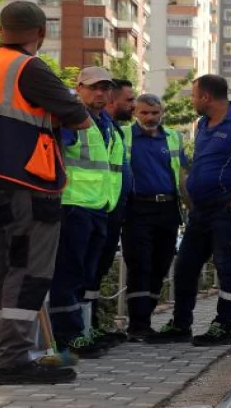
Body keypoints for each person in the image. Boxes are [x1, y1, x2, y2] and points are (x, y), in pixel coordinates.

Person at [0, 1, 91, 384]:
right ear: (41, 33)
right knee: (29, 270)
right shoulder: (28, 68)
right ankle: (13, 359)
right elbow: (80, 118)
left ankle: (1, 354)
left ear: (1, 29)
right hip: (26, 185)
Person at [146, 75, 231, 346]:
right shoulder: (203, 125)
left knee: (227, 267)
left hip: (228, 207)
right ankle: (181, 324)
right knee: (185, 266)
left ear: (206, 97)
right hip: (201, 211)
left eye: (194, 95)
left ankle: (223, 326)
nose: (192, 101)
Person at [49, 67, 124, 358]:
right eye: (94, 88)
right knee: (68, 273)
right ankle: (67, 336)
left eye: (105, 89)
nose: (100, 93)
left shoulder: (106, 124)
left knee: (86, 274)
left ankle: (82, 331)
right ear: (78, 88)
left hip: (99, 208)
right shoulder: (72, 121)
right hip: (73, 206)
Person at [121, 94, 189, 341]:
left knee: (160, 266)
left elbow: (181, 176)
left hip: (168, 209)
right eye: (144, 113)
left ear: (162, 112)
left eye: (154, 113)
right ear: (135, 113)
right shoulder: (123, 136)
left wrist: (189, 207)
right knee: (140, 265)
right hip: (137, 209)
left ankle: (145, 321)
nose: (150, 118)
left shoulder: (173, 137)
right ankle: (138, 325)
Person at [86, 78, 136, 345]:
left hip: (110, 208)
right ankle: (82, 330)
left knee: (98, 270)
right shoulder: (93, 127)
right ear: (112, 101)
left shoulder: (113, 129)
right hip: (94, 206)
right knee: (85, 270)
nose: (134, 105)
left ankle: (91, 325)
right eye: (129, 100)